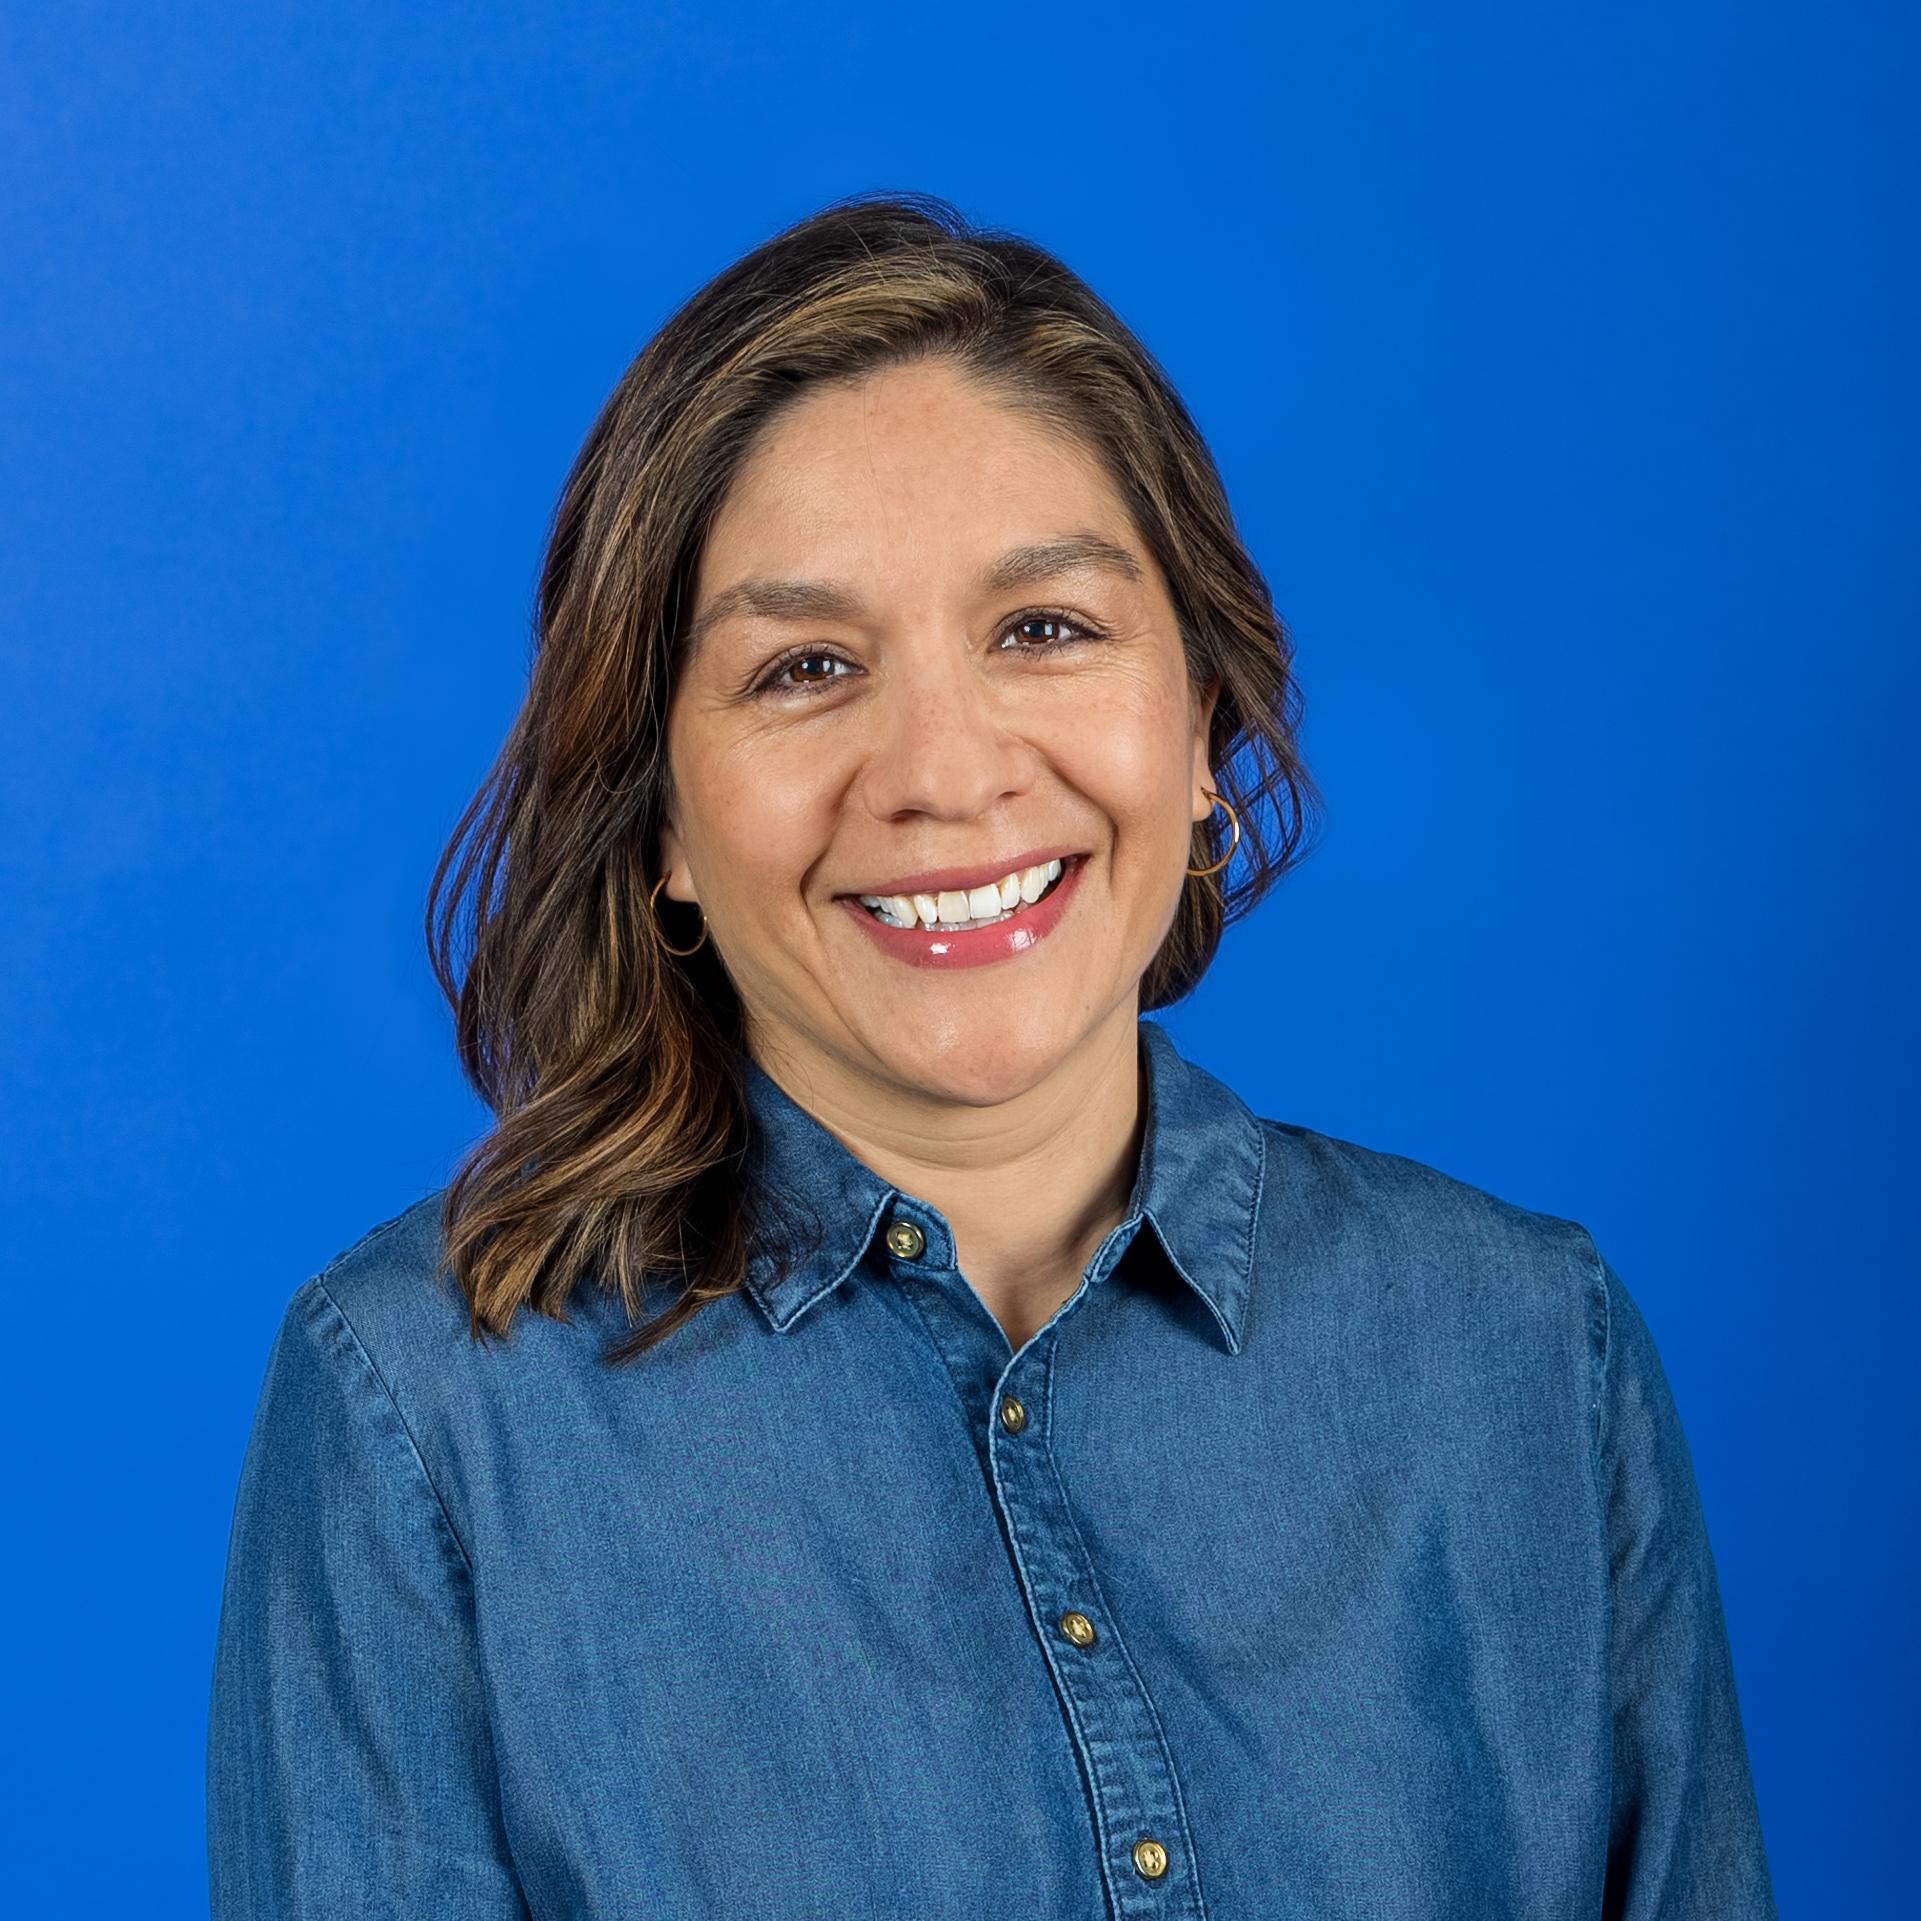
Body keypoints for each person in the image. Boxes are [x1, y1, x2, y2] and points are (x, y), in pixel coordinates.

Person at [206, 191, 1778, 1919]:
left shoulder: (1527, 1356)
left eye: (1043, 628)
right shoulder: (427, 1413)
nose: (943, 775)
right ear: (656, 814)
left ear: (1201, 724)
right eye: (805, 666)